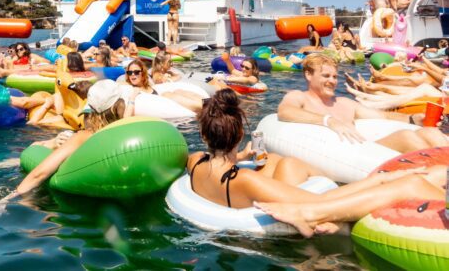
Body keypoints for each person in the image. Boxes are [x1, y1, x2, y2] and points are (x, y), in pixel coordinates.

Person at [190, 89, 446, 239]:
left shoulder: (194, 162)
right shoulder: (245, 181)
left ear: (203, 136)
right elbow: (320, 203)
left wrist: (241, 158)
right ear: (238, 135)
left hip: (223, 201)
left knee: (283, 162)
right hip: (281, 240)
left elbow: (218, 161)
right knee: (289, 164)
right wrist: (376, 180)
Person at [0, 79, 130, 210]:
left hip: (78, 203)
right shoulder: (126, 133)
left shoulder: (84, 136)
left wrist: (7, 199)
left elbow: (40, 173)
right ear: (119, 106)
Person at [277, 54, 447, 152]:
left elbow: (383, 116)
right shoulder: (299, 96)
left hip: (365, 151)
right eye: (326, 76)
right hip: (345, 155)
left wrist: (413, 119)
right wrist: (329, 120)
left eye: (335, 77)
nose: (332, 81)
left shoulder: (344, 103)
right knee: (406, 137)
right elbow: (285, 111)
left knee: (431, 133)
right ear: (308, 75)